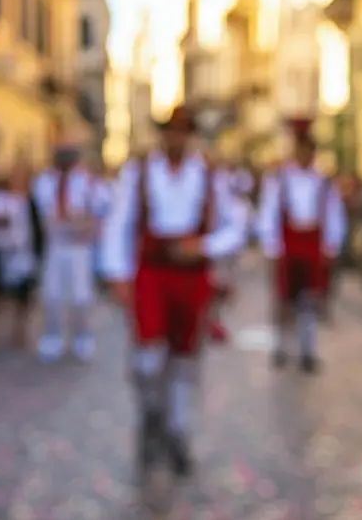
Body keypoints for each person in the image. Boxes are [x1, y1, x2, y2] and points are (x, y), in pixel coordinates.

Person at [99, 104, 248, 478]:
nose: (176, 138)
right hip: (152, 273)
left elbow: (235, 227)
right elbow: (119, 223)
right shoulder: (139, 172)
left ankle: (178, 431)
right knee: (148, 357)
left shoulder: (212, 175)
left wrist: (206, 247)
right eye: (171, 131)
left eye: (184, 131)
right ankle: (151, 417)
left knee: (185, 357)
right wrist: (117, 274)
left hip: (192, 277)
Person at [256, 118, 347, 372]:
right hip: (288, 242)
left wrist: (331, 246)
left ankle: (308, 349)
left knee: (310, 299)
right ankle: (281, 346)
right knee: (283, 299)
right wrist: (271, 246)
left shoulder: (324, 182)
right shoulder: (279, 179)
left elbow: (333, 216)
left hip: (312, 243)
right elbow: (269, 213)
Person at [32, 131, 104, 362]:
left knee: (81, 297)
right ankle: (52, 338)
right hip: (56, 245)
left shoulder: (88, 182)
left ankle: (82, 338)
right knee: (52, 295)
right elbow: (46, 215)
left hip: (79, 248)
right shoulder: (44, 181)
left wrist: (83, 224)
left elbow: (97, 214)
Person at [0, 163, 43, 349]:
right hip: (0, 254)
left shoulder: (30, 201)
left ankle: (19, 333)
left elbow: (37, 229)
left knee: (23, 298)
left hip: (24, 256)